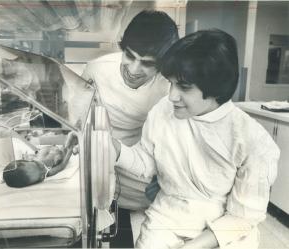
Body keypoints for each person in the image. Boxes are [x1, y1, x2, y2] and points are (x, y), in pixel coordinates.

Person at [111, 29, 280, 249]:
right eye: (171, 83)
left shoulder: (253, 140)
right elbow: (146, 163)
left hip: (225, 231)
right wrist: (113, 147)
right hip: (168, 217)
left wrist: (193, 246)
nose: (172, 96)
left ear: (216, 87)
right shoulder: (163, 111)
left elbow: (243, 218)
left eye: (184, 87)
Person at [81, 10, 179, 247]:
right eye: (130, 55)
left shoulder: (170, 87)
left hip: (142, 174)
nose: (134, 69)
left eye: (147, 64)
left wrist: (166, 177)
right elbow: (80, 119)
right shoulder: (96, 69)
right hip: (101, 165)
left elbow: (173, 141)